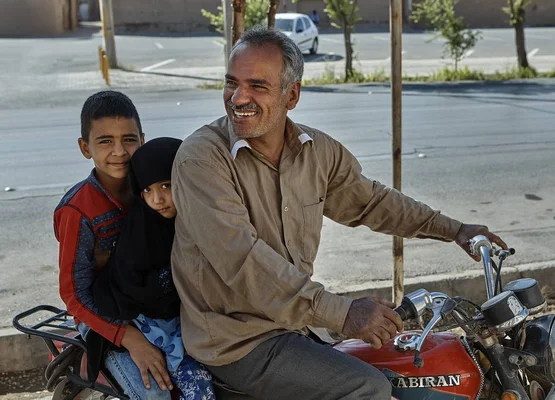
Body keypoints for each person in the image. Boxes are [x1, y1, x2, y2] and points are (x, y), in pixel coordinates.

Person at [170, 27, 508, 400]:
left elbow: (372, 202)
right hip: (238, 340)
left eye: (257, 86)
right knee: (367, 387)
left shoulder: (315, 152)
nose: (238, 97)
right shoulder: (202, 158)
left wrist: (454, 230)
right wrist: (342, 312)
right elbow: (243, 261)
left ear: (292, 95)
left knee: (404, 362)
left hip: (293, 324)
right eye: (231, 83)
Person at [54, 91, 173, 400]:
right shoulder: (77, 210)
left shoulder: (153, 194)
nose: (119, 151)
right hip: (105, 317)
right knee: (157, 392)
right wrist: (130, 339)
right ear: (85, 147)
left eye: (129, 140)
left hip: (155, 305)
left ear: (142, 140)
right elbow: (74, 294)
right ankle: (87, 357)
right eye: (105, 141)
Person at [92, 137, 215, 400]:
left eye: (166, 186)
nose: (157, 199)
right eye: (147, 190)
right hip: (150, 324)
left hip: (192, 321)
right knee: (198, 388)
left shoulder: (201, 219)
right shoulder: (140, 230)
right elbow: (136, 289)